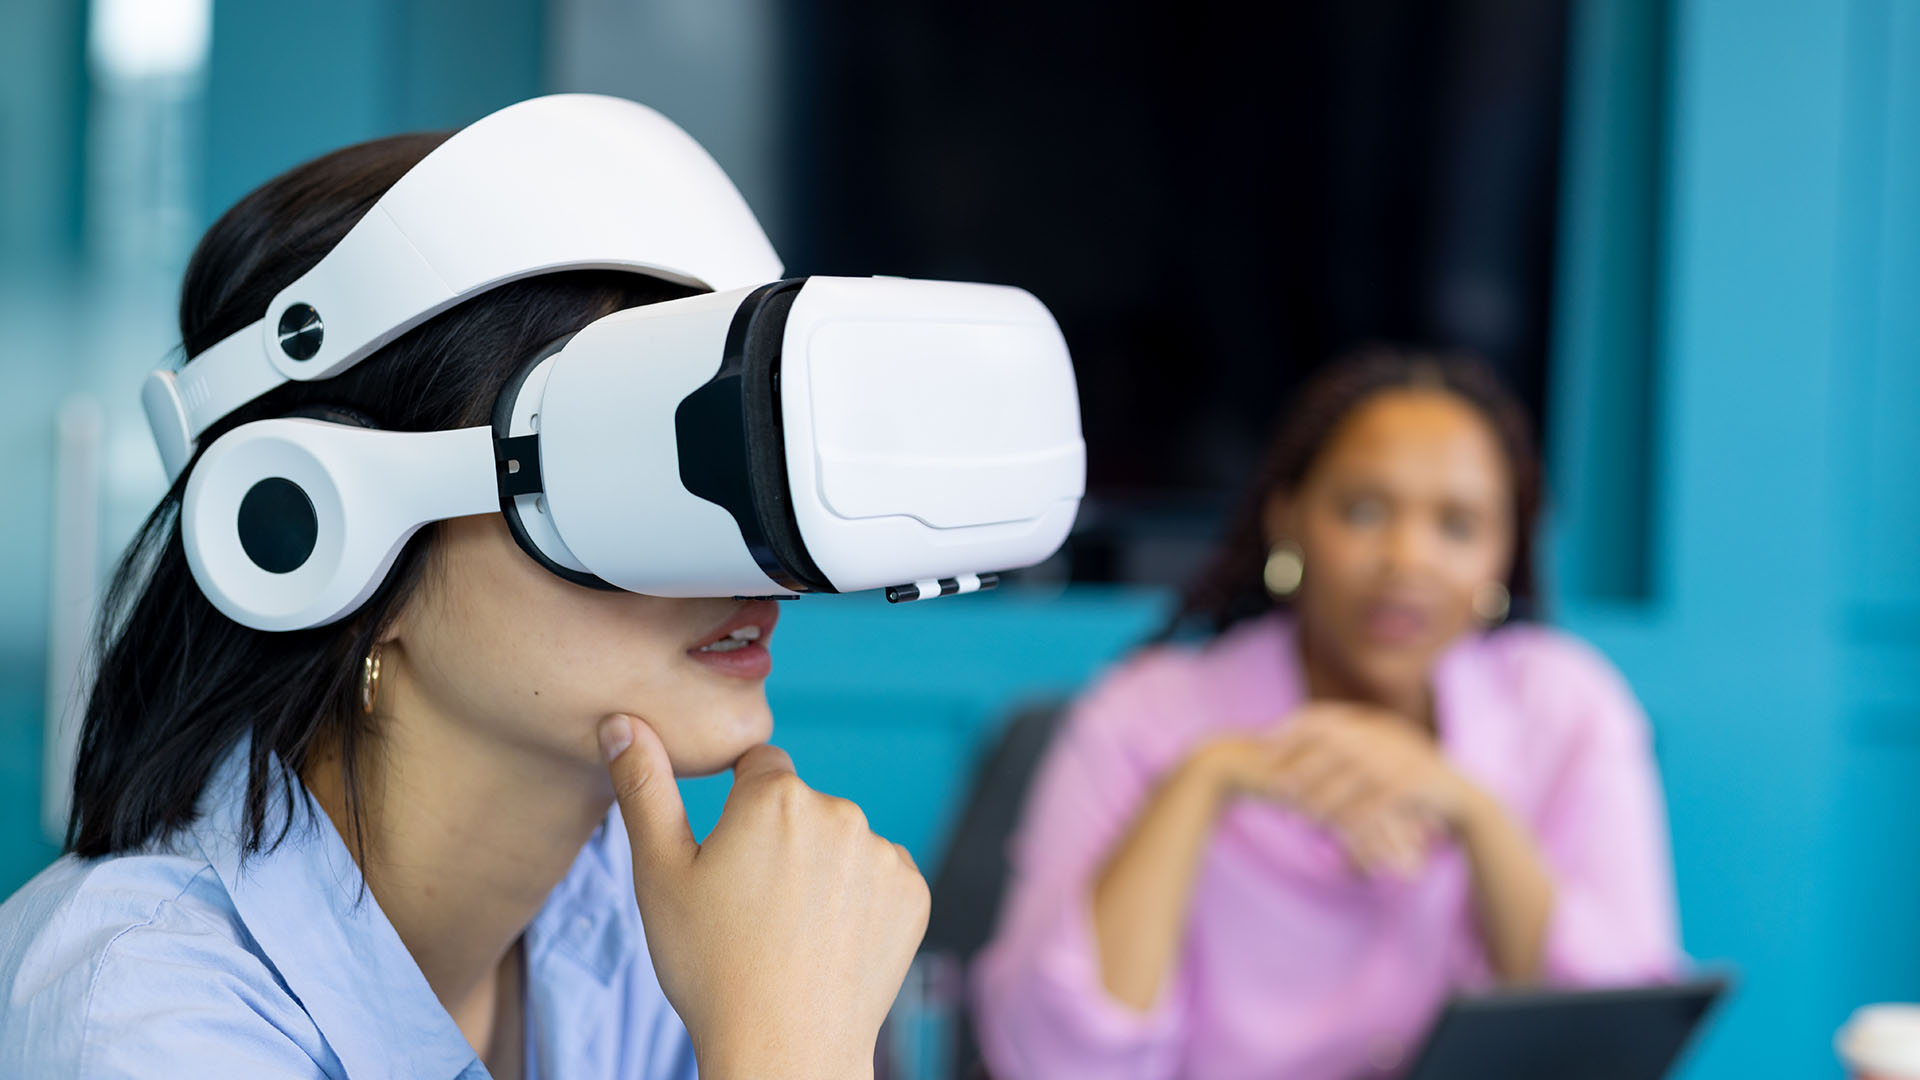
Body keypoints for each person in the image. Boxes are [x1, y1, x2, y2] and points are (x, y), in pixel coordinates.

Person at [0, 128, 928, 1078]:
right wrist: (787, 1048)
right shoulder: (133, 1020)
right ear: (324, 539)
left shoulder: (657, 923)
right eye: (634, 473)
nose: (750, 567)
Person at [972, 349, 1681, 1078]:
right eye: (1364, 511)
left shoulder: (1565, 709)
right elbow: (1055, 1062)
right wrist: (1203, 780)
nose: (1407, 559)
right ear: (1290, 520)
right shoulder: (1144, 714)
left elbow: (1614, 1047)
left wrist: (1473, 812)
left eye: (1459, 525)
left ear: (1504, 555)